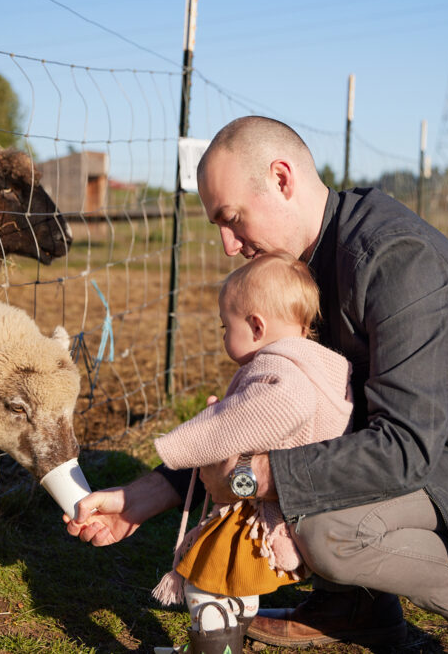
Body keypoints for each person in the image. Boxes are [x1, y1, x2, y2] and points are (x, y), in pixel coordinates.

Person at [65, 116, 448, 654]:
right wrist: (143, 496)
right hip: (438, 453)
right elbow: (265, 412)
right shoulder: (309, 263)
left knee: (320, 526)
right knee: (307, 464)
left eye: (232, 218)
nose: (226, 245)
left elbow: (403, 449)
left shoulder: (393, 261)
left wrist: (250, 479)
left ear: (282, 179)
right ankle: (354, 607)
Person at [149, 251, 353, 654]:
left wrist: (189, 441)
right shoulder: (321, 365)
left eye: (226, 327)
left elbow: (267, 413)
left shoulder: (282, 375)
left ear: (257, 326)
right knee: (234, 581)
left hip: (264, 514)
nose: (224, 336)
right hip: (304, 503)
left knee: (209, 579)